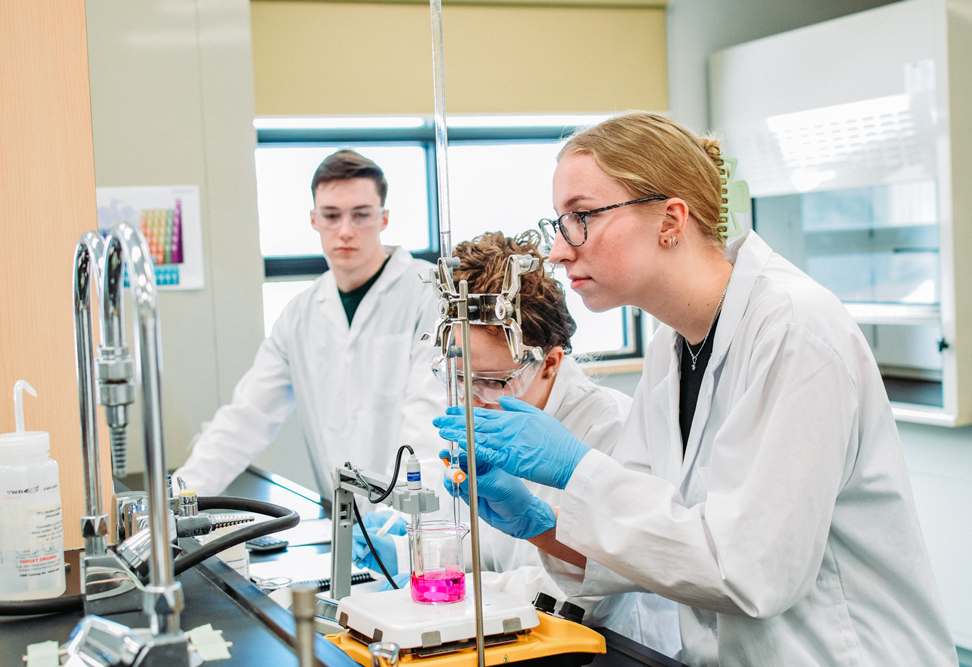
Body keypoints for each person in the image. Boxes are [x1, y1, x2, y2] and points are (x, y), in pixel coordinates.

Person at [435, 113, 959, 666]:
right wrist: (542, 524)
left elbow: (752, 571)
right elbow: (652, 544)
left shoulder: (793, 329)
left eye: (582, 217)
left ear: (671, 219)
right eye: (559, 223)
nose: (560, 251)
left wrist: (577, 471)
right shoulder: (672, 346)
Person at [353, 231, 681, 655]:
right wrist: (408, 554)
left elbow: (581, 597)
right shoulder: (489, 421)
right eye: (457, 377)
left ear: (549, 363)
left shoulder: (610, 429)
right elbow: (489, 552)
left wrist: (460, 582)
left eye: (490, 381)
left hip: (612, 650)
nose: (472, 400)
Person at [175, 150, 444, 501]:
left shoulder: (428, 293)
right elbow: (246, 418)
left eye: (361, 215)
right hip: (342, 520)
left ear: (384, 219)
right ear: (314, 220)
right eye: (332, 215)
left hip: (413, 519)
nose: (345, 230)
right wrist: (179, 496)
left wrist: (409, 519)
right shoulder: (299, 316)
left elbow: (430, 419)